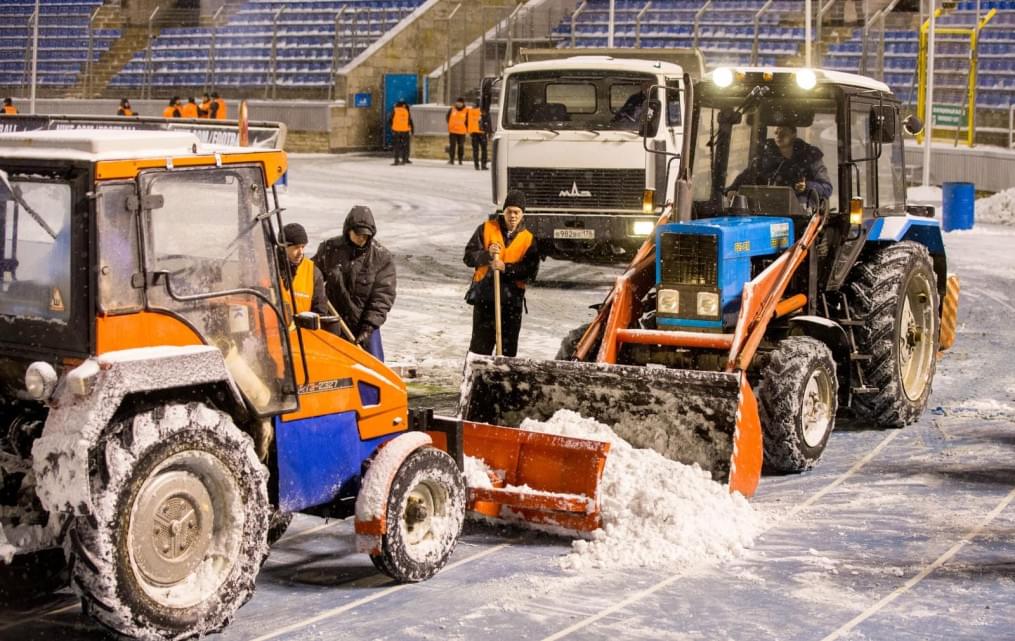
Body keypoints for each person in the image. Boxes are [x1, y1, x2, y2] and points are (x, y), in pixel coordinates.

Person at [313, 206, 396, 361]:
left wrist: (369, 325)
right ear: (348, 230)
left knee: (371, 367)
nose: (361, 238)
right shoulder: (330, 249)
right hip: (334, 321)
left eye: (366, 236)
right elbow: (312, 278)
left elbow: (383, 296)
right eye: (358, 234)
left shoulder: (381, 258)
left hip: (364, 323)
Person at [463, 189, 539, 358]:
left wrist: (507, 268)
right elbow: (468, 257)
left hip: (511, 303)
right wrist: (486, 255)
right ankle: (477, 382)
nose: (513, 216)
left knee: (507, 352)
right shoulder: (486, 229)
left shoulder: (528, 239)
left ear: (522, 214)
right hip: (485, 300)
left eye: (517, 212)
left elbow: (530, 272)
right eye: (509, 211)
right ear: (503, 212)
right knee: (479, 350)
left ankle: (502, 383)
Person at [728, 125, 833, 202]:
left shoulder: (810, 156)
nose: (778, 136)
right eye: (776, 133)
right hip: (764, 209)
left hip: (801, 217)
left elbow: (826, 188)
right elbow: (748, 175)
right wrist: (733, 189)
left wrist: (807, 186)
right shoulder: (765, 155)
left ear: (794, 134)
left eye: (783, 133)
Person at [277, 222, 330, 323]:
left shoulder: (313, 272)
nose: (301, 252)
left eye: (303, 247)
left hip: (302, 335)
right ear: (282, 247)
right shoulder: (267, 268)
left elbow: (320, 313)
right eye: (296, 247)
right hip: (270, 334)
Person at [467, 98, 490, 171]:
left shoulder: (470, 111)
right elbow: (488, 122)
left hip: (474, 133)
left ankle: (476, 165)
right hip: (482, 133)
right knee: (484, 150)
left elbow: (466, 121)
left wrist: (470, 130)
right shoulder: (484, 112)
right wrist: (489, 131)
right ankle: (483, 165)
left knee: (476, 150)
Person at [389, 100, 414, 166]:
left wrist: (392, 127)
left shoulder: (395, 110)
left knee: (396, 146)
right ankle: (404, 159)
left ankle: (396, 160)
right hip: (405, 131)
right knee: (404, 146)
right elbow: (410, 121)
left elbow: (390, 120)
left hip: (396, 131)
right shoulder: (406, 111)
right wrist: (412, 130)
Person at [446, 97, 468, 165]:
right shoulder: (452, 109)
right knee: (452, 146)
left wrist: (467, 129)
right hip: (452, 131)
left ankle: (460, 160)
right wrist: (451, 125)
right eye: (458, 102)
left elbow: (468, 121)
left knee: (461, 146)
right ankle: (451, 160)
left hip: (462, 132)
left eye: (460, 102)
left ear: (463, 103)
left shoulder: (466, 111)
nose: (459, 104)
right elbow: (447, 117)